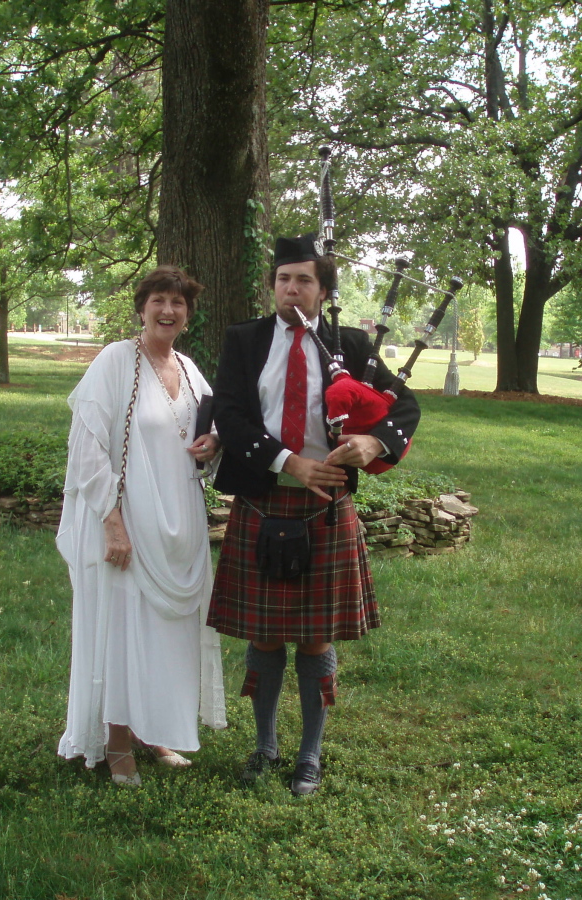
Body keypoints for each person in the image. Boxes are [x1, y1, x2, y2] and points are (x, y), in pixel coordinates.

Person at [207, 235, 420, 795]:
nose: (291, 289)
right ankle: (264, 746)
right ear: (272, 286)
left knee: (317, 638)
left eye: (303, 280)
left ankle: (310, 754)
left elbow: (405, 406)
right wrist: (290, 463)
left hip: (327, 510)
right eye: (283, 279)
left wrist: (375, 445)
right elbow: (228, 416)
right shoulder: (245, 340)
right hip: (264, 497)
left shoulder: (350, 345)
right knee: (266, 635)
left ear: (323, 291)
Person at [57, 265, 227, 786]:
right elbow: (86, 448)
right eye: (159, 300)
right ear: (142, 306)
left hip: (180, 526)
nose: (168, 311)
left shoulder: (190, 367)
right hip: (130, 521)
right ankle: (115, 740)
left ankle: (156, 731)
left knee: (170, 634)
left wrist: (213, 444)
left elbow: (211, 431)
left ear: (188, 314)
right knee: (124, 631)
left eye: (178, 303)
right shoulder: (115, 361)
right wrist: (111, 522)